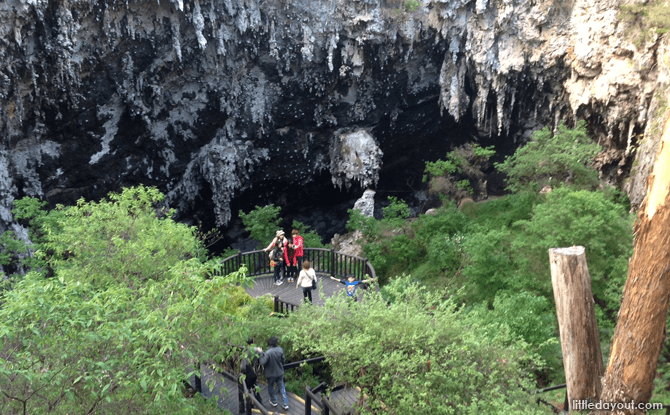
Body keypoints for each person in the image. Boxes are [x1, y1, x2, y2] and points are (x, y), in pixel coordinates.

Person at [259, 336, 289, 410]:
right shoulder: (280, 350)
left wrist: (261, 353)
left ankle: (274, 401)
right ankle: (285, 403)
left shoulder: (268, 352)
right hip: (280, 372)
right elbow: (283, 360)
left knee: (270, 387)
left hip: (270, 374)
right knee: (281, 387)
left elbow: (262, 362)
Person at [239, 337, 262, 411]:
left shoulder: (246, 352)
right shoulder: (257, 350)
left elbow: (243, 366)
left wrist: (242, 374)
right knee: (255, 386)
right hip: (255, 372)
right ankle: (260, 402)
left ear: (247, 343)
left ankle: (250, 406)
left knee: (247, 389)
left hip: (248, 374)